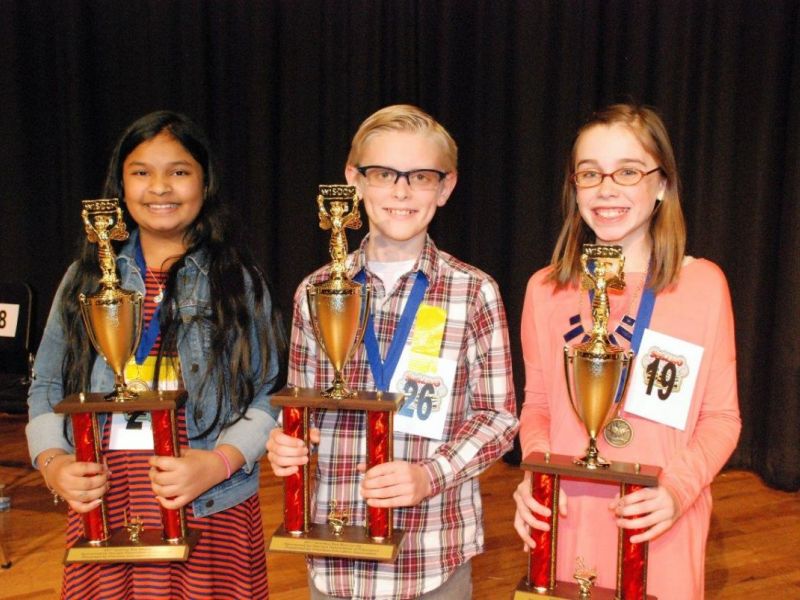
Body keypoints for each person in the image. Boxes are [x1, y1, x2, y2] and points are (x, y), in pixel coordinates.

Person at [26, 111, 286, 599]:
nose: (160, 187)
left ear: (204, 182)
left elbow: (269, 393)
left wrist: (220, 463)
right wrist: (54, 463)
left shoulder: (238, 282)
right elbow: (45, 386)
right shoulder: (83, 281)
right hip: (108, 502)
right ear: (120, 185)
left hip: (210, 502)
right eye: (141, 172)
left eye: (179, 171)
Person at [267, 104, 519, 599]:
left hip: (429, 556)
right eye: (383, 174)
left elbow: (498, 418)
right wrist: (286, 439)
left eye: (420, 176)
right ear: (354, 180)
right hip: (335, 556)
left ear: (445, 187)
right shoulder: (314, 291)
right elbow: (302, 402)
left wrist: (430, 475)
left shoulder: (474, 292)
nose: (401, 192)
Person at [512, 103, 741, 599]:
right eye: (590, 173)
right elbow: (539, 407)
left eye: (629, 171)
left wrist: (678, 490)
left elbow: (723, 418)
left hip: (658, 523)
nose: (606, 188)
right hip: (566, 516)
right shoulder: (543, 289)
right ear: (574, 188)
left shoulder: (702, 284)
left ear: (661, 185)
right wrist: (536, 474)